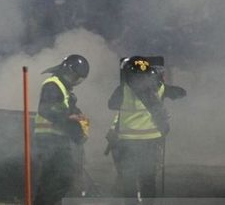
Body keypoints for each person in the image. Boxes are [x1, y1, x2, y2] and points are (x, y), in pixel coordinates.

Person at [107, 56, 186, 204]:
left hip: (127, 142)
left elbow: (111, 105)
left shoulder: (122, 90)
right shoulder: (158, 88)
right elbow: (180, 93)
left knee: (129, 180)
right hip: (150, 141)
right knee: (148, 179)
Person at [33, 54, 90, 205]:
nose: (76, 81)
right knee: (61, 178)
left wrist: (78, 118)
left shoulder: (64, 88)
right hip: (48, 139)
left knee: (52, 180)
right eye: (76, 77)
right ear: (68, 70)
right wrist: (70, 119)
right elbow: (46, 109)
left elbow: (68, 109)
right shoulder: (53, 85)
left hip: (56, 139)